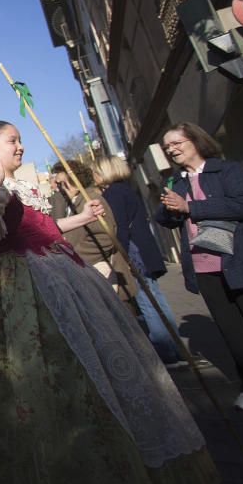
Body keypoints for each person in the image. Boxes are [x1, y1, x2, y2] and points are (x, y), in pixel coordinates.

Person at [0, 120, 218, 484]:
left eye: (22, 140)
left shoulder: (25, 186)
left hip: (60, 272)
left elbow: (45, 227)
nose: (21, 147)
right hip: (21, 286)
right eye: (13, 141)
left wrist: (84, 218)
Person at [155, 122, 243, 412]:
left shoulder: (227, 171)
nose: (171, 150)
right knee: (232, 332)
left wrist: (191, 208)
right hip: (204, 268)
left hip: (240, 260)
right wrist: (168, 209)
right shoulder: (176, 182)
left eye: (177, 143)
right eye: (167, 147)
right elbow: (164, 219)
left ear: (196, 141)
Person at [93, 155, 182, 366]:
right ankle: (175, 349)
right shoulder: (126, 189)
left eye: (96, 172)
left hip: (134, 254)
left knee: (148, 302)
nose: (94, 177)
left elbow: (120, 227)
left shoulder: (113, 193)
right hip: (144, 251)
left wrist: (119, 253)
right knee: (157, 300)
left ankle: (167, 352)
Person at [50, 159, 137, 303]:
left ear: (75, 181)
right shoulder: (69, 203)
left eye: (61, 183)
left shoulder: (91, 200)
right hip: (88, 275)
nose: (58, 188)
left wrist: (75, 256)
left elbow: (105, 237)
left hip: (104, 273)